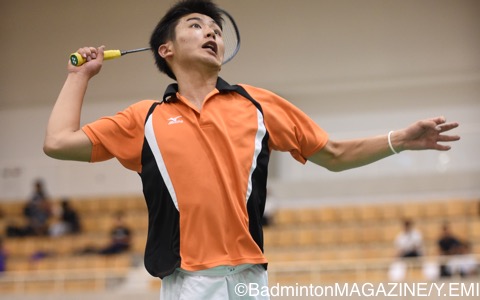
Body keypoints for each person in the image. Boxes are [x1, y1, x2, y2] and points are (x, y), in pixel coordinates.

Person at [42, 0, 460, 298]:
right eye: (195, 24)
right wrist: (79, 76)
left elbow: (333, 153)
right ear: (164, 50)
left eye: (216, 30)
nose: (211, 32)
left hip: (248, 281)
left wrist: (401, 140)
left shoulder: (257, 105)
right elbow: (58, 142)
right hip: (186, 282)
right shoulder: (144, 119)